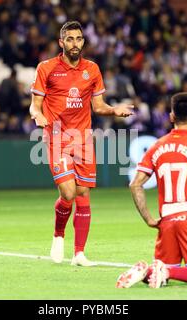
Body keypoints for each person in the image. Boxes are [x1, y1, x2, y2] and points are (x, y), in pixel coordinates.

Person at [29, 21, 134, 266]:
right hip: (56, 135)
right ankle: (58, 235)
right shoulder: (46, 68)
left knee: (83, 192)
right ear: (61, 42)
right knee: (67, 192)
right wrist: (37, 115)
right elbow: (35, 103)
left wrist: (114, 110)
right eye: (70, 39)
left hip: (83, 137)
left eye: (78, 39)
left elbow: (97, 106)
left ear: (83, 42)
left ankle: (79, 254)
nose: (74, 43)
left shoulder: (93, 69)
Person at [116, 92, 187, 288]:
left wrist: (149, 219)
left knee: (161, 280)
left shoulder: (156, 146)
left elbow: (135, 184)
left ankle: (147, 271)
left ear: (171, 117)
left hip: (167, 221)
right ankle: (166, 270)